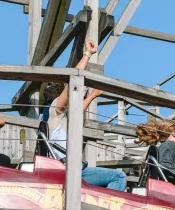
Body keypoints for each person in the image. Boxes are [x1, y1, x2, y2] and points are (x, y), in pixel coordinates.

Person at [42, 39, 127, 192]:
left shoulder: (56, 119)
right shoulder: (54, 110)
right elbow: (72, 82)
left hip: (71, 168)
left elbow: (77, 110)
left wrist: (93, 95)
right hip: (69, 170)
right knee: (118, 177)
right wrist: (87, 54)